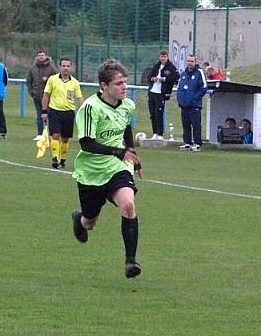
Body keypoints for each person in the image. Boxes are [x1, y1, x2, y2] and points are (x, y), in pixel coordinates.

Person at [71, 59, 144, 279]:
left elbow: (125, 128)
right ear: (104, 86)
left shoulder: (127, 105)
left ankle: (130, 262)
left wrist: (131, 153)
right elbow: (87, 143)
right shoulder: (91, 108)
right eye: (119, 83)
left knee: (129, 205)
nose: (124, 87)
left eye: (125, 82)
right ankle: (80, 219)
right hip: (91, 171)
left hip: (117, 168)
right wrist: (119, 152)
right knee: (90, 222)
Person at [41, 57, 84, 170]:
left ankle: (63, 159)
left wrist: (84, 110)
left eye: (67, 66)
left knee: (65, 138)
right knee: (55, 135)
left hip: (68, 113)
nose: (65, 68)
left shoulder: (74, 82)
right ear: (60, 67)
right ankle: (55, 159)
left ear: (71, 67)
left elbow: (79, 98)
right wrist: (44, 111)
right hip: (55, 111)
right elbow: (46, 95)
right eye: (63, 66)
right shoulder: (52, 79)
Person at [140, 50, 179, 140]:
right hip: (152, 92)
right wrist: (153, 79)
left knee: (159, 113)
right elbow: (149, 77)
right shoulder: (156, 66)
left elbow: (176, 77)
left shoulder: (171, 67)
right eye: (161, 56)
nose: (163, 58)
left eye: (164, 56)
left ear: (167, 57)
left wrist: (164, 79)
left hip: (161, 93)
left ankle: (160, 134)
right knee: (152, 113)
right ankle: (155, 133)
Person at [176, 54, 208, 151]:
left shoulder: (199, 73)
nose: (190, 63)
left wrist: (195, 98)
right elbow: (179, 87)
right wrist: (180, 100)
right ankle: (187, 143)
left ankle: (197, 143)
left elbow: (204, 87)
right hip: (184, 105)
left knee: (196, 124)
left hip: (194, 105)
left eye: (192, 61)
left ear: (195, 62)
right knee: (186, 124)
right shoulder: (183, 74)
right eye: (188, 61)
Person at [26, 51, 57, 140]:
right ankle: (40, 134)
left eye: (42, 55)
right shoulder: (33, 68)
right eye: (39, 55)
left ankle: (51, 134)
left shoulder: (51, 68)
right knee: (39, 115)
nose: (41, 57)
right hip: (37, 96)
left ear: (46, 56)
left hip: (49, 96)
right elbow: (28, 81)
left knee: (51, 115)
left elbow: (56, 80)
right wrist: (32, 92)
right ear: (37, 57)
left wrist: (47, 80)